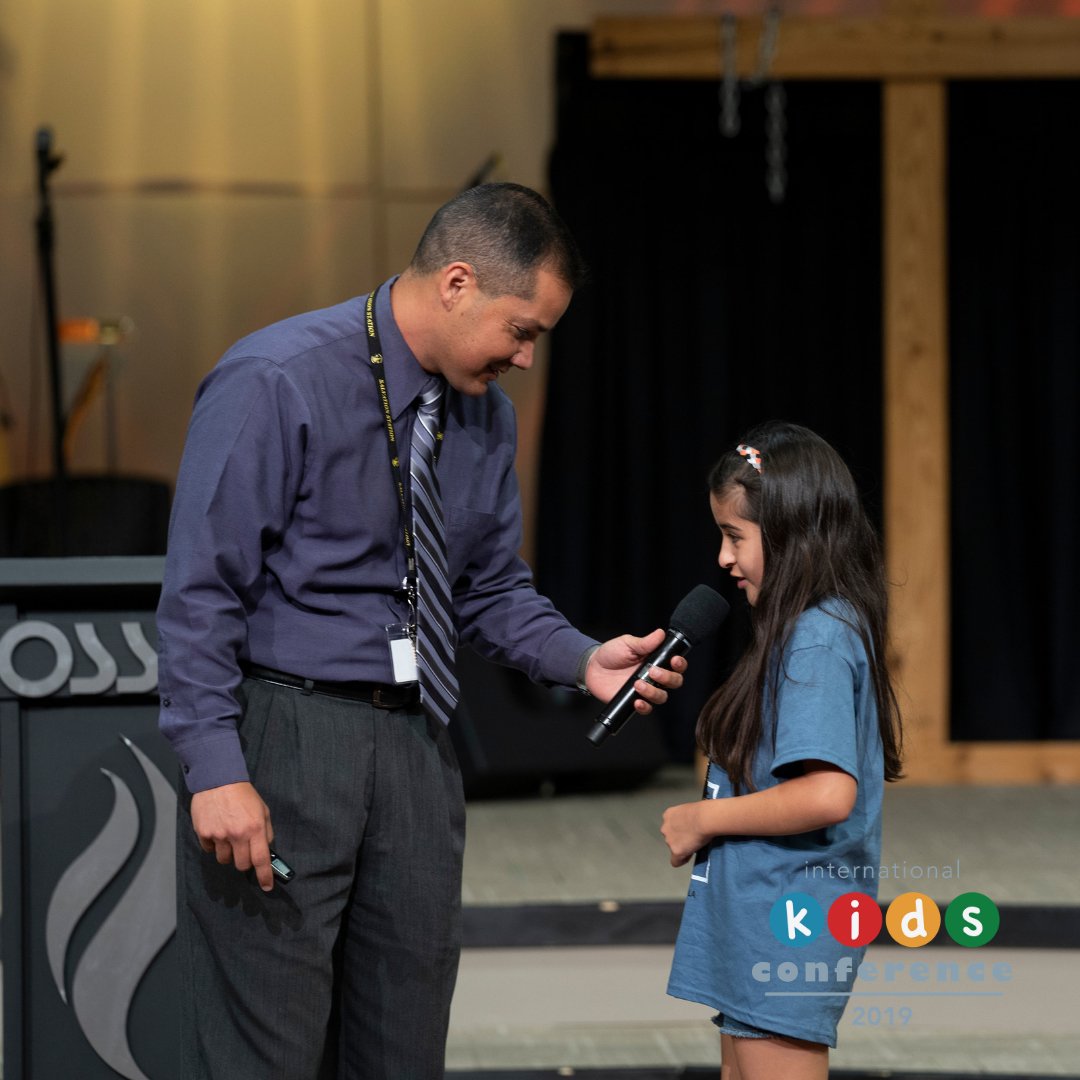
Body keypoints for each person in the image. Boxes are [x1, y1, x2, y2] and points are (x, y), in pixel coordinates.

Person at [156, 182, 686, 1079]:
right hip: (288, 740)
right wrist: (216, 769)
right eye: (522, 330)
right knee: (266, 1048)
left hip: (416, 750)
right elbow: (201, 591)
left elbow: (485, 587)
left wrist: (585, 659)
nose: (525, 358)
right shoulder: (278, 378)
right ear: (456, 282)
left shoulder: (483, 413)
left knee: (402, 1043)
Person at [661, 422, 903, 1080]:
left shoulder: (819, 639)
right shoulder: (802, 630)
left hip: (787, 921)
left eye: (735, 536)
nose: (723, 558)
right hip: (757, 916)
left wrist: (700, 818)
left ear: (795, 533)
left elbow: (827, 794)